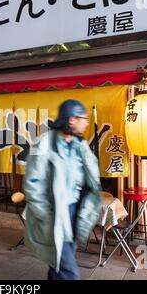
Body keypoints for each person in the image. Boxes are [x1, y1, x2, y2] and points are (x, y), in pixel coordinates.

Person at [23, 99, 101, 280]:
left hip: (75, 211)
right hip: (55, 213)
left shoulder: (80, 146)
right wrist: (45, 216)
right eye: (84, 118)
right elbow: (32, 184)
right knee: (69, 272)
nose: (86, 122)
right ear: (71, 120)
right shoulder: (42, 144)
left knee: (58, 263)